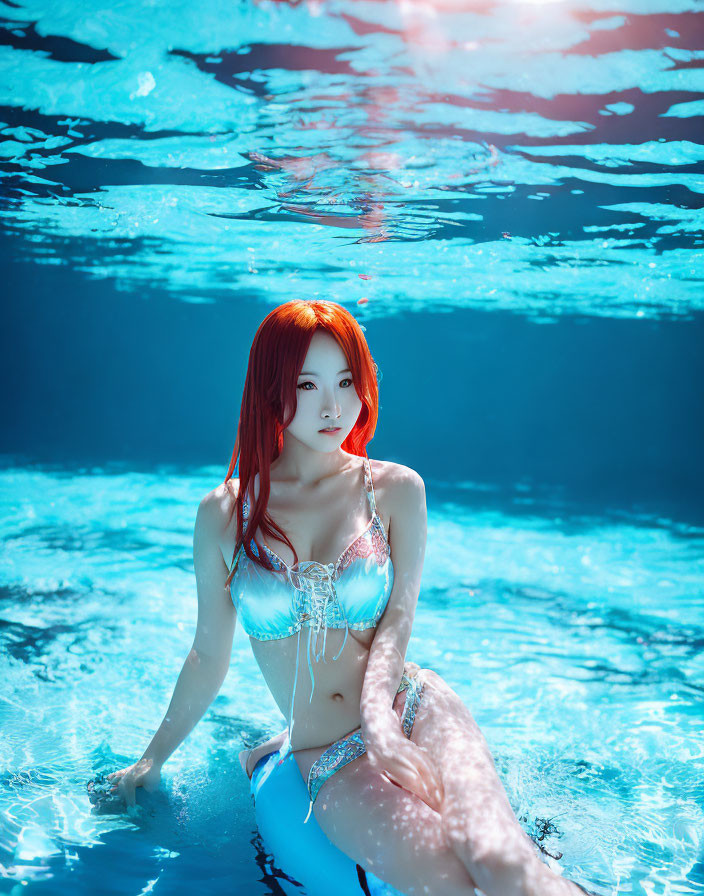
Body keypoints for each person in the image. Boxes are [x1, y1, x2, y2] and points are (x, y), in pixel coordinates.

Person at [104, 300, 595, 896]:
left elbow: (397, 623)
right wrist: (151, 759)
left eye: (346, 381)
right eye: (307, 385)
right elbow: (209, 655)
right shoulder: (225, 514)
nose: (334, 406)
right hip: (331, 755)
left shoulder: (394, 489)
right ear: (270, 390)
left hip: (411, 706)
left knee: (502, 861)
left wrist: (385, 729)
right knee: (450, 883)